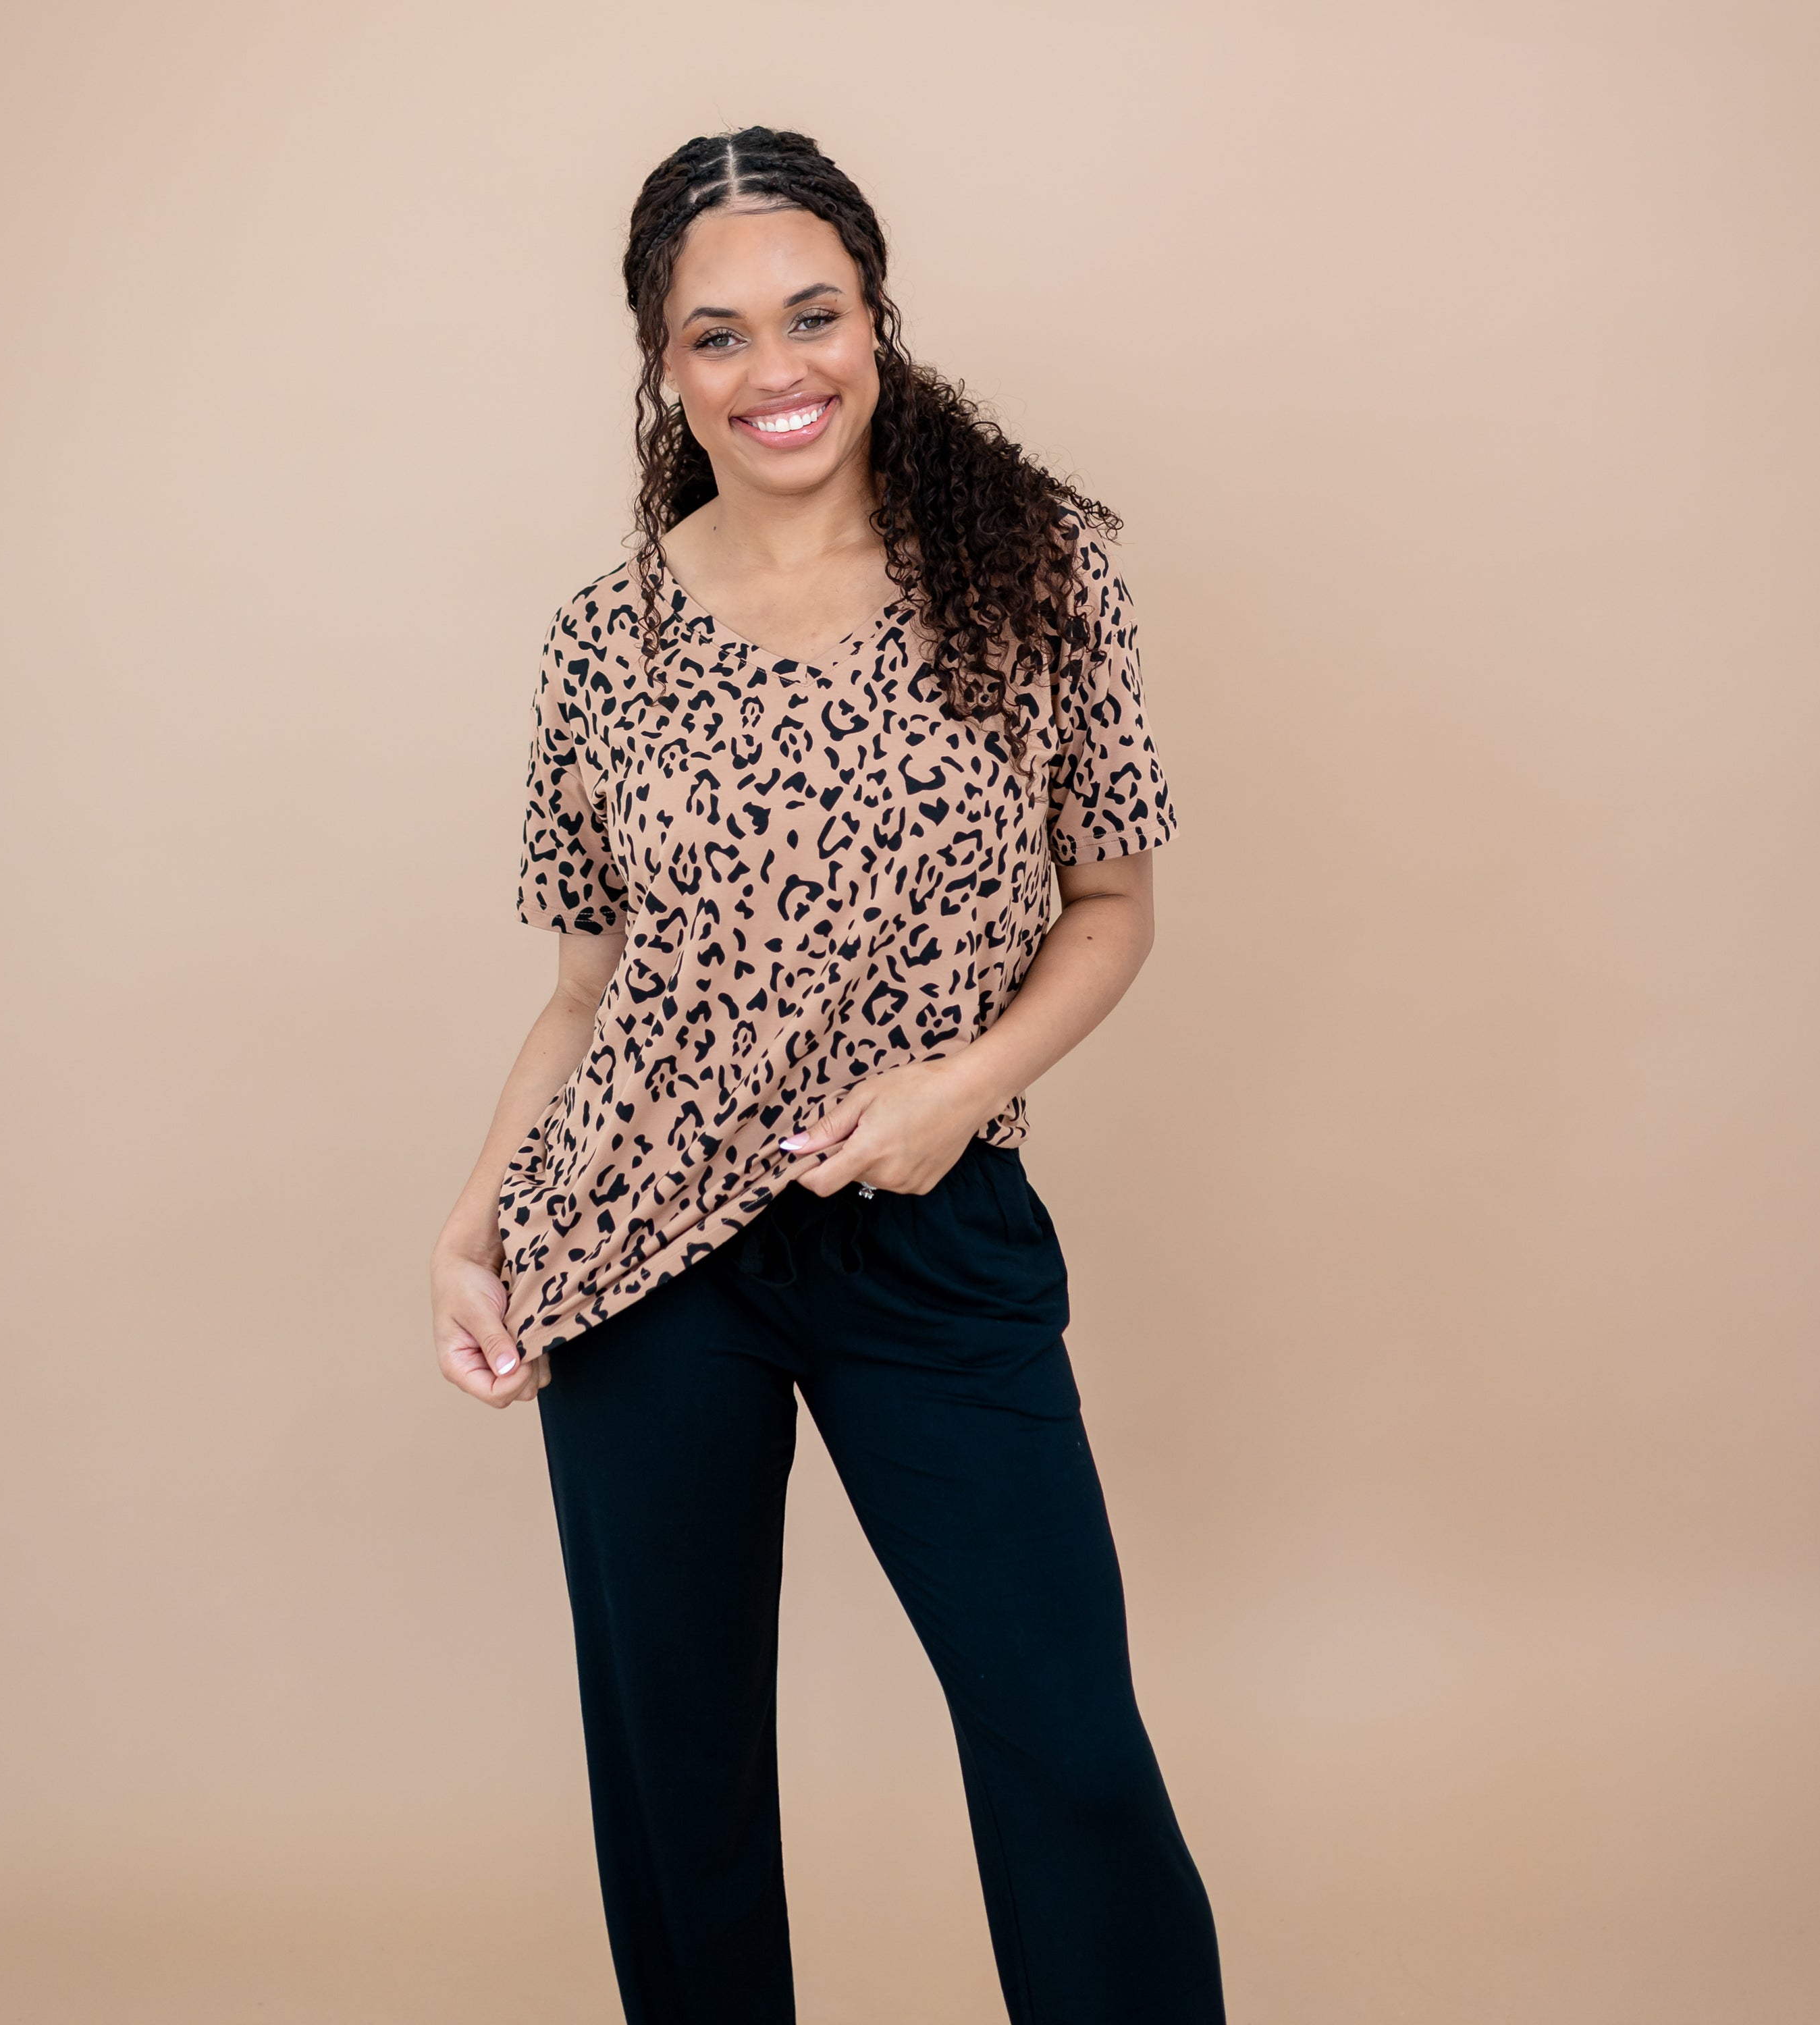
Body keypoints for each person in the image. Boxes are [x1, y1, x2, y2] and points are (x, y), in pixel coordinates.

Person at [429, 126, 1224, 2024]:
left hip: (929, 1236)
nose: (774, 371)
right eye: (718, 336)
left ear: (878, 323)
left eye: (812, 317)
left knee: (1068, 1748)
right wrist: (472, 1233)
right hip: (631, 1260)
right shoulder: (601, 644)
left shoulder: (1033, 584)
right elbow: (583, 995)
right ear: (660, 362)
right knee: (679, 1783)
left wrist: (967, 1084)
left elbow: (1111, 907)